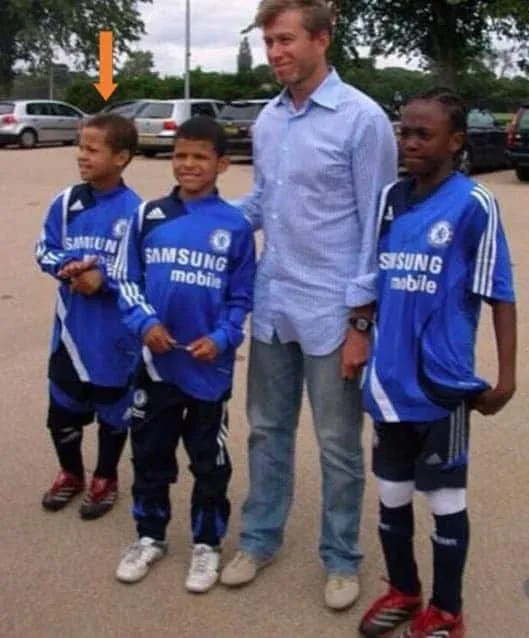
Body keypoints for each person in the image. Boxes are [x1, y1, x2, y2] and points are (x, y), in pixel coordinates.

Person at [220, 0, 398, 610]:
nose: (274, 53)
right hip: (273, 305)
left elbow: (378, 228)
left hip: (332, 312)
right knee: (267, 432)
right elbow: (262, 203)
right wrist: (200, 222)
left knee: (338, 443)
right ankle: (260, 538)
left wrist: (360, 323)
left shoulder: (362, 119)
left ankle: (341, 557)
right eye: (269, 42)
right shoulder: (268, 120)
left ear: (321, 39)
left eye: (285, 40)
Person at [358, 88, 516, 638]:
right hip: (388, 383)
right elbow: (371, 281)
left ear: (455, 141)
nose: (409, 142)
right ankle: (404, 589)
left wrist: (508, 377)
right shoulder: (391, 200)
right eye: (404, 131)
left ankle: (448, 610)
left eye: (423, 134)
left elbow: (500, 292)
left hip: (443, 385)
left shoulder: (473, 205)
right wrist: (358, 337)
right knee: (391, 495)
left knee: (445, 500)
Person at [113, 116, 255, 594]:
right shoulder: (148, 215)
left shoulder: (235, 225)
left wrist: (222, 337)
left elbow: (240, 298)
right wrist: (146, 323)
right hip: (155, 366)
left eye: (199, 157)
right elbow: (125, 280)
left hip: (208, 370)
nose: (188, 165)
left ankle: (207, 543)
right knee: (150, 455)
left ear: (222, 164)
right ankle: (150, 535)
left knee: (209, 461)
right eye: (180, 156)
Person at [35, 114, 142, 519]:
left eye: (92, 150)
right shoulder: (66, 203)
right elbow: (43, 248)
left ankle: (105, 477)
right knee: (62, 410)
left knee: (114, 411)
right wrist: (65, 265)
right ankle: (70, 472)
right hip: (70, 334)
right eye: (81, 147)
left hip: (115, 339)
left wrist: (104, 280)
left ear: (121, 157)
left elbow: (140, 271)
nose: (82, 156)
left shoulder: (136, 212)